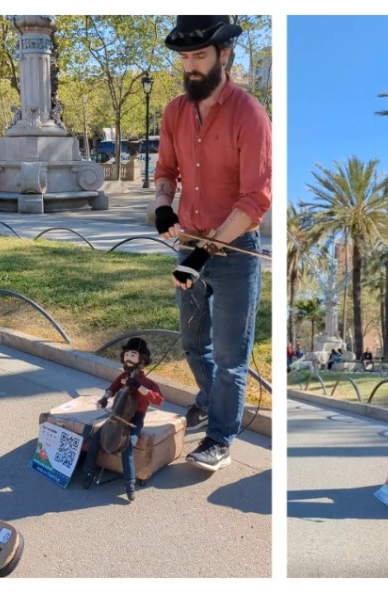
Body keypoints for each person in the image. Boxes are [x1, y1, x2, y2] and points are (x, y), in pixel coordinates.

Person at [153, 16, 270, 473]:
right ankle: (210, 400)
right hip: (189, 244)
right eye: (184, 58)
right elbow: (165, 170)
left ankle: (220, 437)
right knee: (191, 342)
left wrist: (205, 252)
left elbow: (255, 198)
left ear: (225, 55)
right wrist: (163, 205)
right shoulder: (174, 112)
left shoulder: (251, 114)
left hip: (234, 251)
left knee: (229, 356)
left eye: (199, 56)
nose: (190, 67)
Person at [82, 338, 164, 501]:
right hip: (116, 417)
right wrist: (105, 398)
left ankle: (130, 483)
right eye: (127, 354)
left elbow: (158, 400)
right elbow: (113, 388)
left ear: (141, 359)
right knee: (96, 438)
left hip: (134, 420)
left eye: (133, 355)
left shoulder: (147, 383)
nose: (128, 357)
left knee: (127, 447)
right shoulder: (124, 376)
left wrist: (139, 387)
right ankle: (89, 471)